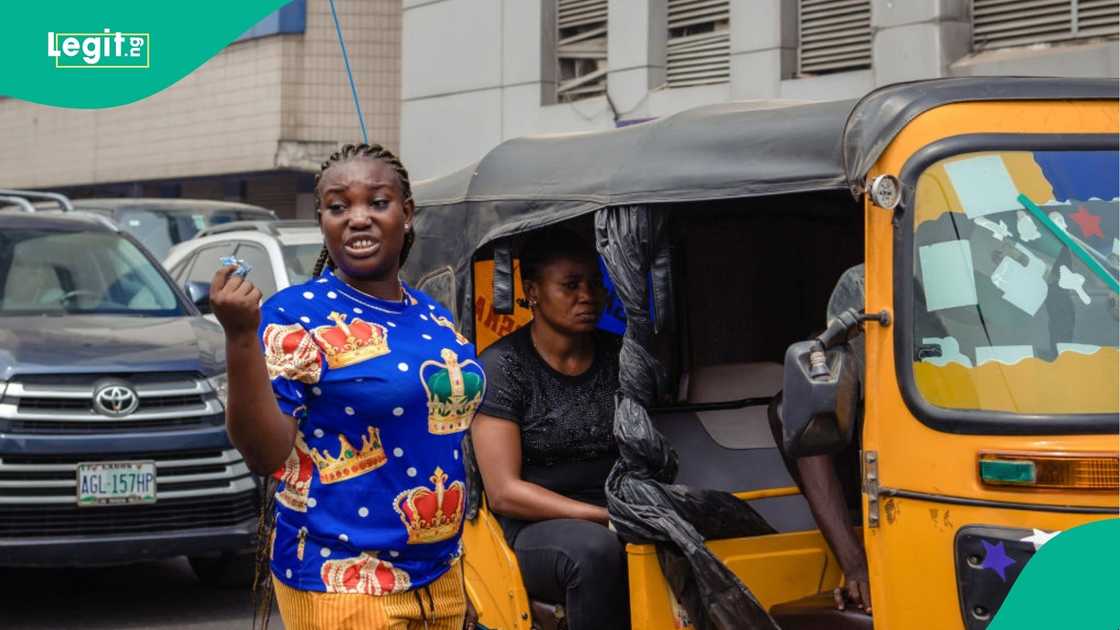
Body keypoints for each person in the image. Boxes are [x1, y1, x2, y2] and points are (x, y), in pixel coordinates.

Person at [210, 143, 482, 630]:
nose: (358, 218)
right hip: (340, 579)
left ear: (407, 214)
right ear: (322, 221)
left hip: (439, 574)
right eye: (339, 207)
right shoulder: (295, 315)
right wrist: (240, 338)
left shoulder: (433, 315)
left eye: (377, 202)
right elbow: (265, 454)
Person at [470, 228, 629, 630]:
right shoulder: (503, 367)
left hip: (617, 505)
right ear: (533, 292)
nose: (587, 296)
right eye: (571, 285)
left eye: (594, 284)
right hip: (533, 526)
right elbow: (505, 493)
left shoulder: (620, 357)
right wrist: (603, 516)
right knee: (595, 552)